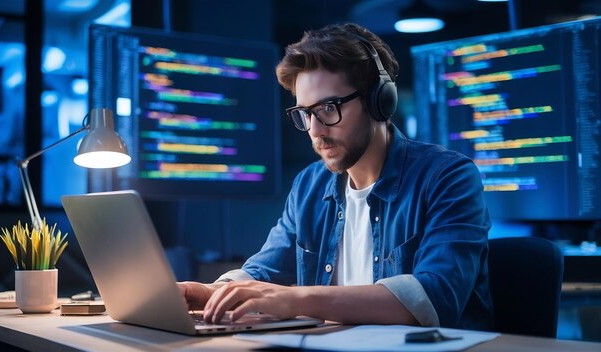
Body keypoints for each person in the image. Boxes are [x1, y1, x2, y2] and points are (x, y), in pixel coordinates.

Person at [178, 23, 493, 330]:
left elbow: (435, 297)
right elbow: (265, 271)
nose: (315, 130)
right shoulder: (309, 186)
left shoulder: (448, 177)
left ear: (378, 100)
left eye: (328, 108)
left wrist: (296, 299)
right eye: (305, 113)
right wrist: (206, 294)